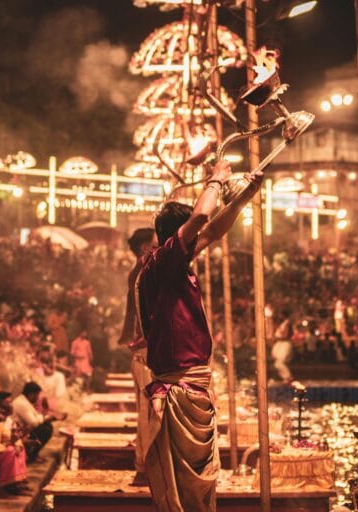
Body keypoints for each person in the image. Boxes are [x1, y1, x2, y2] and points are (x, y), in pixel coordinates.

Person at [136, 160, 263, 512]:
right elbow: (201, 221)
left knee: (197, 492)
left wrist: (242, 199)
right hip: (179, 388)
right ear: (177, 235)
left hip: (192, 385)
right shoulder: (162, 262)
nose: (198, 242)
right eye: (189, 235)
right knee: (183, 495)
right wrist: (216, 182)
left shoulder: (174, 263)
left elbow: (211, 230)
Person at [118, 227, 157, 483]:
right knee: (148, 415)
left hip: (144, 351)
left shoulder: (141, 271)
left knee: (148, 413)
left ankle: (146, 466)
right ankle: (146, 468)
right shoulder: (144, 271)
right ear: (145, 248)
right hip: (146, 353)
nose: (158, 248)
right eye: (155, 244)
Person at [11, 382, 56, 463]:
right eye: (37, 395)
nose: (38, 398)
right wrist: (45, 418)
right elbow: (33, 422)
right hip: (17, 434)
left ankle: (33, 454)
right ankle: (31, 456)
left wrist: (44, 417)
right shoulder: (21, 403)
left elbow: (36, 416)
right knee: (46, 429)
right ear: (31, 394)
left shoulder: (25, 401)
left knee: (47, 425)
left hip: (23, 430)